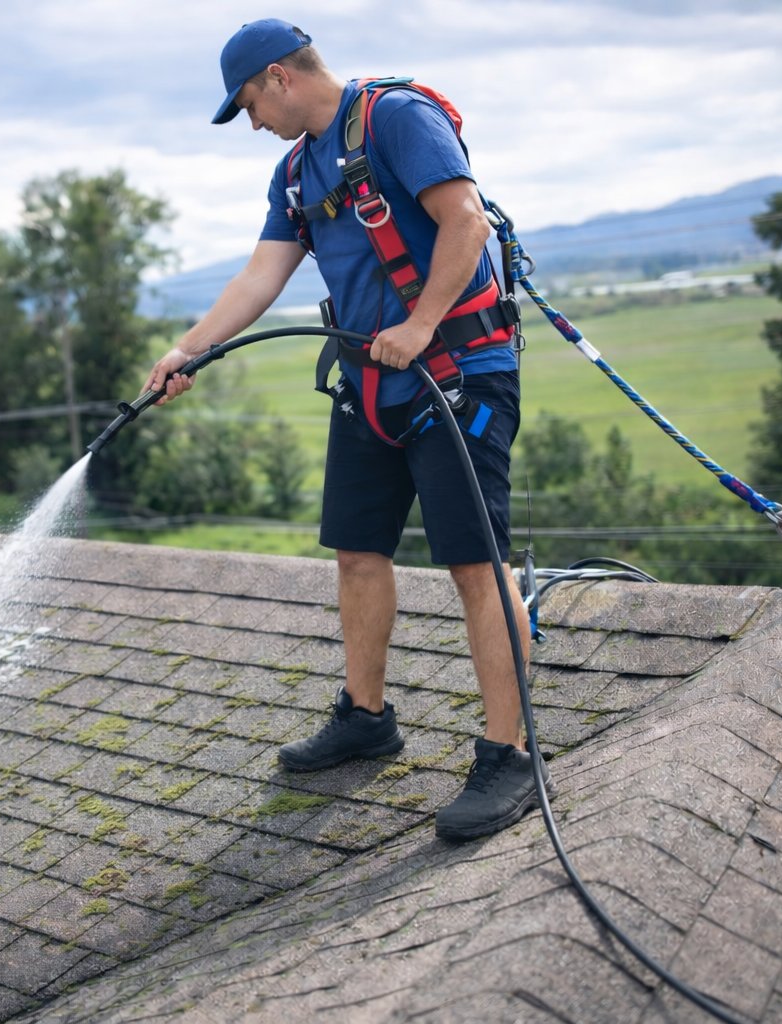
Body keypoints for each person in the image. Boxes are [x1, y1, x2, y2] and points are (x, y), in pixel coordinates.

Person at [145, 19, 545, 841]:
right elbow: (263, 273)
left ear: (280, 78)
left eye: (249, 103)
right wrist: (189, 349)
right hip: (370, 384)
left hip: (457, 375)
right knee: (358, 554)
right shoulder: (295, 172)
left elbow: (464, 221)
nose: (251, 122)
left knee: (475, 565)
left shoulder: (397, 118)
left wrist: (424, 321)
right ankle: (367, 718)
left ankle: (507, 755)